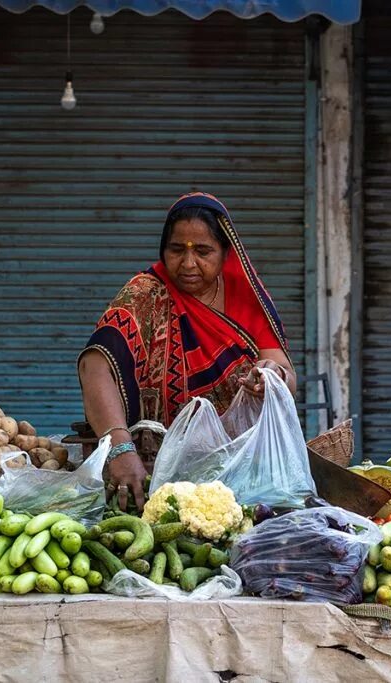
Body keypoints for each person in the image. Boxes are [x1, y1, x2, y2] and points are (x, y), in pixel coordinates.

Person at [78, 193, 296, 510]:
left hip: (243, 476)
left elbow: (287, 378)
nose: (189, 263)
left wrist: (272, 376)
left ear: (225, 254)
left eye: (204, 252)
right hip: (153, 472)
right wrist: (119, 448)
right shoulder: (145, 294)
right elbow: (95, 367)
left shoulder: (247, 297)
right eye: (177, 250)